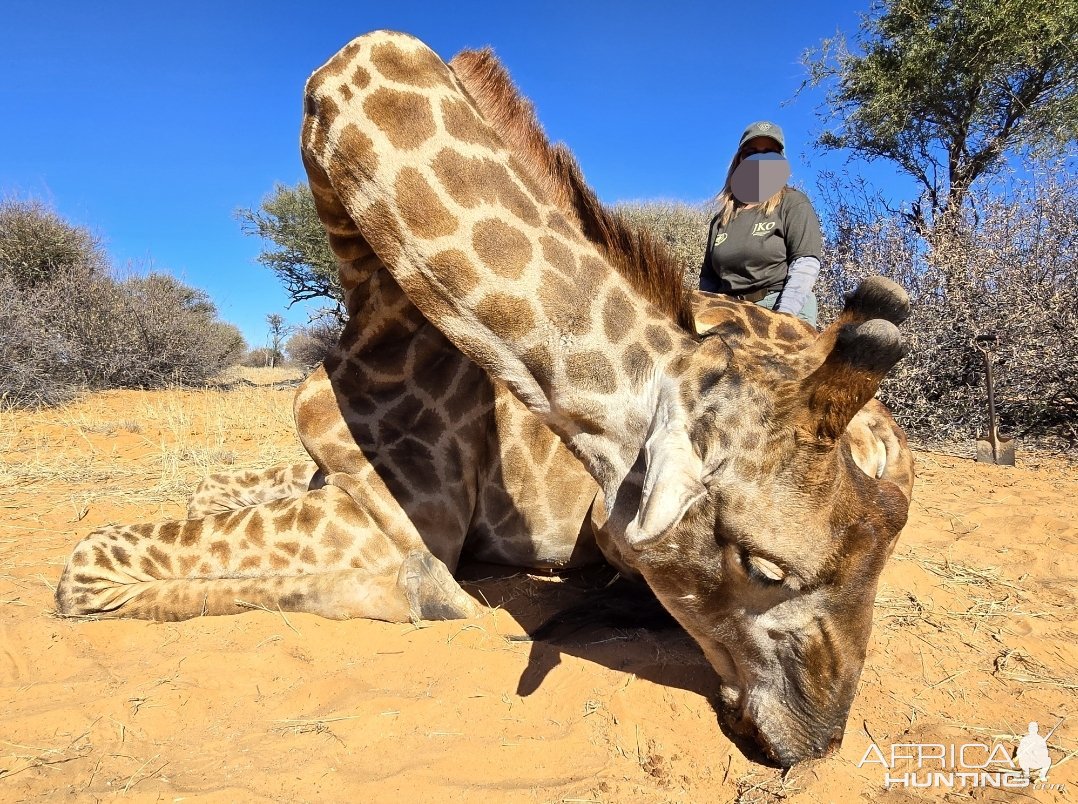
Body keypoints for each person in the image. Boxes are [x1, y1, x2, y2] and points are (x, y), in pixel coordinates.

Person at [698, 121, 824, 327]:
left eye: (769, 153)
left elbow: (805, 264)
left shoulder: (793, 202)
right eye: (751, 152)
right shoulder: (721, 219)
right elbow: (708, 281)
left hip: (778, 305)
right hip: (729, 313)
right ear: (739, 160)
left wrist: (783, 317)